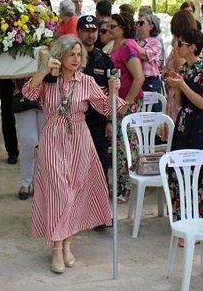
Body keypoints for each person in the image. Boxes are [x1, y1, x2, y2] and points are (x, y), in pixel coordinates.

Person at [22, 35, 123, 273]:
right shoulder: (48, 80)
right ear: (60, 55)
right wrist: (44, 69)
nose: (76, 59)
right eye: (71, 54)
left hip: (80, 137)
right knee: (59, 192)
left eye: (79, 54)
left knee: (74, 192)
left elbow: (107, 109)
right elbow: (28, 93)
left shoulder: (86, 81)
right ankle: (57, 249)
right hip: (53, 137)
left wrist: (114, 92)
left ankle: (67, 244)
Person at [162, 26, 203, 227]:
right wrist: (175, 85)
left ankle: (199, 220)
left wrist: (183, 86)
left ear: (192, 47)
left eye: (181, 43)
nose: (176, 46)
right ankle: (182, 218)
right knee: (179, 169)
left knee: (200, 172)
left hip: (201, 125)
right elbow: (179, 103)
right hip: (184, 122)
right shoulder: (185, 68)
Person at [100, 13, 144, 201]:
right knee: (118, 145)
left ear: (123, 28)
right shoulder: (115, 46)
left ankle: (125, 188)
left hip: (127, 103)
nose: (110, 29)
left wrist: (127, 103)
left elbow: (139, 77)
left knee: (125, 146)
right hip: (118, 101)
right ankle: (120, 185)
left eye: (113, 26)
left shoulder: (127, 47)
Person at [78, 15, 115, 184]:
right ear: (78, 32)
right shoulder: (70, 58)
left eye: (94, 31)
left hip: (98, 121)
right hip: (75, 120)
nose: (90, 35)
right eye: (86, 30)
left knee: (100, 162)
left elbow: (112, 93)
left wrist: (110, 121)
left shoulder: (105, 60)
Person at [135, 12, 163, 110]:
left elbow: (144, 55)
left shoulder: (155, 42)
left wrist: (130, 44)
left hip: (150, 81)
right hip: (138, 80)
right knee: (140, 111)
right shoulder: (137, 42)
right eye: (137, 23)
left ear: (151, 26)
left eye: (141, 23)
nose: (138, 25)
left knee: (153, 113)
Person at [0, 77, 19, 165]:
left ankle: (33, 151)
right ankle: (12, 152)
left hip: (27, 80)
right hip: (5, 81)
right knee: (7, 117)